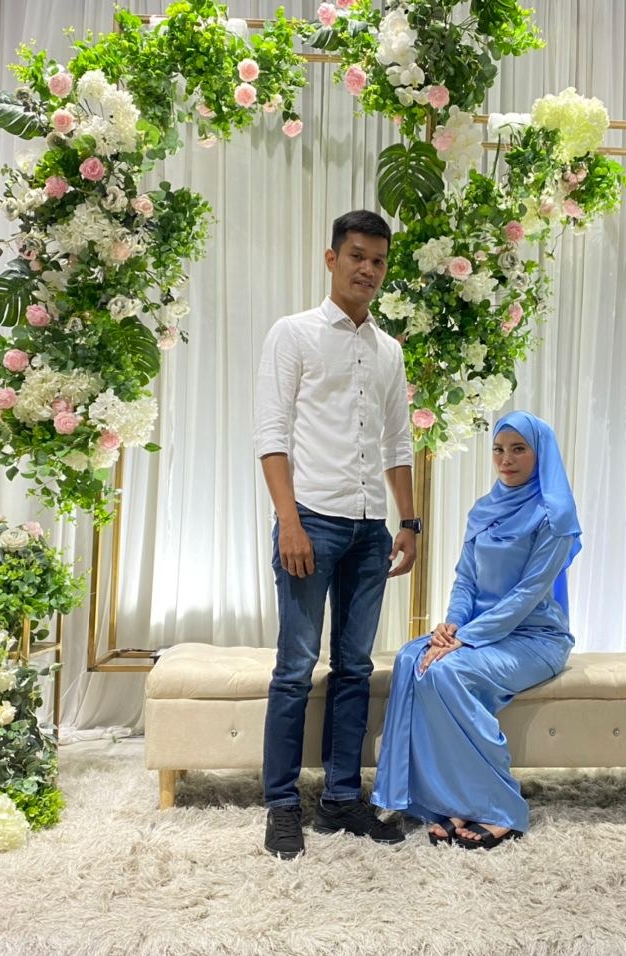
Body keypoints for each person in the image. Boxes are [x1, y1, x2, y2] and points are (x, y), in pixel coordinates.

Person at [253, 210, 419, 859]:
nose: (367, 270)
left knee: (354, 668)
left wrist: (408, 522)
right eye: (356, 256)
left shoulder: (389, 351)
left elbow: (397, 442)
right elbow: (271, 434)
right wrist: (289, 521)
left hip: (370, 531)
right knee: (295, 668)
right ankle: (281, 803)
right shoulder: (293, 334)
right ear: (331, 259)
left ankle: (342, 798)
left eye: (378, 261)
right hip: (311, 523)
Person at [371, 411, 582, 849]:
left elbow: (528, 594)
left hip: (534, 638)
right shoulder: (484, 510)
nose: (506, 459)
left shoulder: (554, 514)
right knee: (413, 660)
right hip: (478, 632)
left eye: (519, 449)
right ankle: (454, 800)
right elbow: (466, 579)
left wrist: (465, 639)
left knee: (447, 671)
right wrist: (452, 625)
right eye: (499, 450)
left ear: (541, 453)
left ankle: (500, 807)